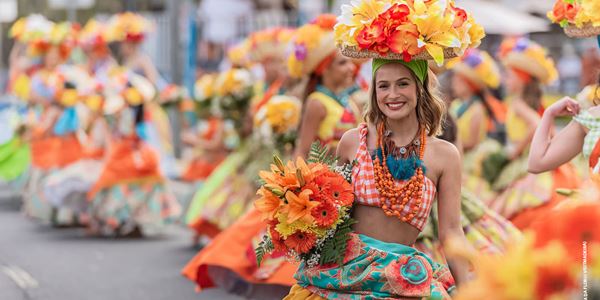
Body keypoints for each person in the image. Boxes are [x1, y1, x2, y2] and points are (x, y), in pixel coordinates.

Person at [284, 1, 481, 298]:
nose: (392, 95)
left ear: (420, 89)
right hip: (344, 275)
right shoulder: (352, 141)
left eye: (403, 84)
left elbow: (452, 232)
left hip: (404, 279)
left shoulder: (445, 155)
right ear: (374, 92)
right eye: (383, 86)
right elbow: (331, 215)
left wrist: (469, 292)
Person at [488, 37, 580, 229]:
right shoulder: (530, 103)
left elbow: (537, 123)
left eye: (510, 75)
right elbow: (550, 131)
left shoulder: (518, 103)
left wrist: (518, 149)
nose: (505, 79)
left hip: (527, 158)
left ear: (522, 79)